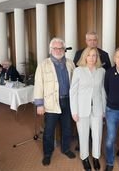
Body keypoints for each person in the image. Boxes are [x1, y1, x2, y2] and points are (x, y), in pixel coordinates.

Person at [34, 37, 76, 166]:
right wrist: (39, 104)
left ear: (64, 49)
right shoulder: (43, 65)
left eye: (61, 48)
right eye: (55, 48)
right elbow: (38, 85)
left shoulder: (70, 63)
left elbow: (75, 84)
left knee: (67, 128)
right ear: (51, 49)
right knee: (49, 130)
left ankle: (65, 149)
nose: (58, 50)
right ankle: (47, 153)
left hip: (68, 102)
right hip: (51, 103)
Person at [70, 47, 106, 171]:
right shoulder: (78, 71)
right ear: (85, 57)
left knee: (97, 134)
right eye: (89, 55)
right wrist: (74, 111)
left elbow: (103, 91)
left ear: (97, 57)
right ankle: (84, 158)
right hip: (81, 109)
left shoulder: (101, 71)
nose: (91, 58)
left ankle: (96, 157)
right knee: (83, 135)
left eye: (94, 55)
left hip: (97, 109)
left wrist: (104, 110)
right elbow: (73, 92)